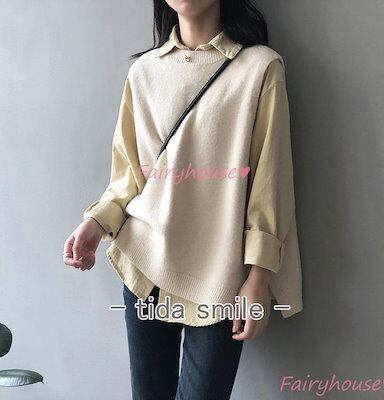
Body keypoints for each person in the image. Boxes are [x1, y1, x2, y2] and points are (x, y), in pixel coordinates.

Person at [64, 1, 303, 399]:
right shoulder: (144, 72)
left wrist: (259, 277)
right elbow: (129, 175)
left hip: (221, 274)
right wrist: (97, 222)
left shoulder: (260, 68)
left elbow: (270, 181)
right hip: (146, 263)